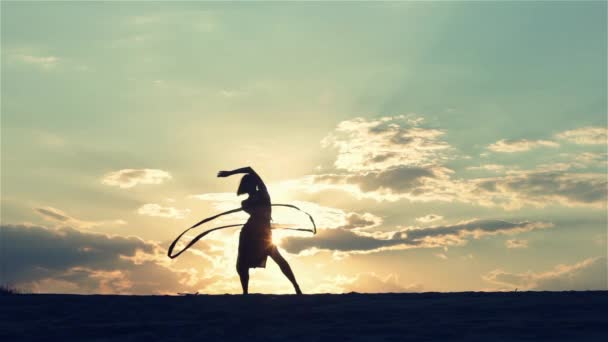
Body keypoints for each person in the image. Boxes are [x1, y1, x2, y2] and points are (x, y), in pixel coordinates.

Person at [217, 167, 302, 295]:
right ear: (246, 186)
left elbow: (250, 169)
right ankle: (245, 292)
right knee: (242, 264)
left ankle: (296, 287)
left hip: (263, 234)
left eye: (253, 182)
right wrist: (257, 208)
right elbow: (256, 213)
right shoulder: (245, 203)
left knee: (278, 258)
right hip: (249, 233)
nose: (254, 184)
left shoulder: (263, 193)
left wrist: (230, 173)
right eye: (249, 183)